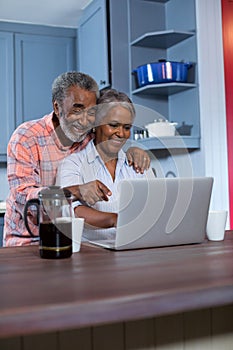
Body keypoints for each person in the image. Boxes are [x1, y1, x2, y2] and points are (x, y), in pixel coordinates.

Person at [4, 72, 150, 246]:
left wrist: (133, 150)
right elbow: (23, 198)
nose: (84, 121)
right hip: (28, 239)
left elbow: (113, 136)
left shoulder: (88, 136)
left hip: (68, 239)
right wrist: (74, 191)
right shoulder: (27, 137)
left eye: (91, 113)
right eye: (77, 110)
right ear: (57, 108)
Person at [56, 89, 154, 241]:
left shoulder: (139, 163)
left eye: (127, 128)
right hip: (92, 254)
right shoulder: (73, 163)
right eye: (113, 125)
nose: (121, 134)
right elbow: (72, 210)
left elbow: (155, 208)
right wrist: (115, 220)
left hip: (135, 248)